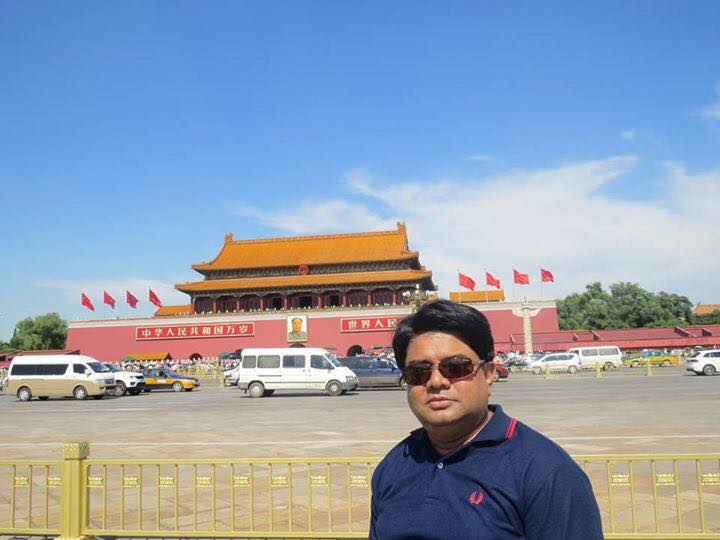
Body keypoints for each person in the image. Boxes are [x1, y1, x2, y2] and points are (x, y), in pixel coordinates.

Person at [370, 300, 602, 539]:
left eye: (456, 367)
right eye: (419, 372)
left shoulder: (545, 471)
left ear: (489, 373)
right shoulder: (393, 466)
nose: (436, 381)